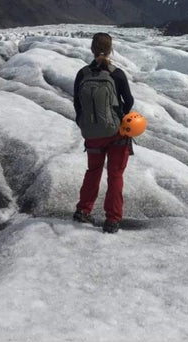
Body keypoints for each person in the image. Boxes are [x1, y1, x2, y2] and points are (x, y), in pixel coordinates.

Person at [72, 32, 134, 233]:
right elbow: (129, 101)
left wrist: (85, 124)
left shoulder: (83, 74)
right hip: (116, 134)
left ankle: (83, 210)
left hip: (92, 134)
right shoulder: (116, 74)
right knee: (115, 175)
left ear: (92, 48)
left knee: (93, 172)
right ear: (110, 50)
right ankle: (112, 219)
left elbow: (77, 103)